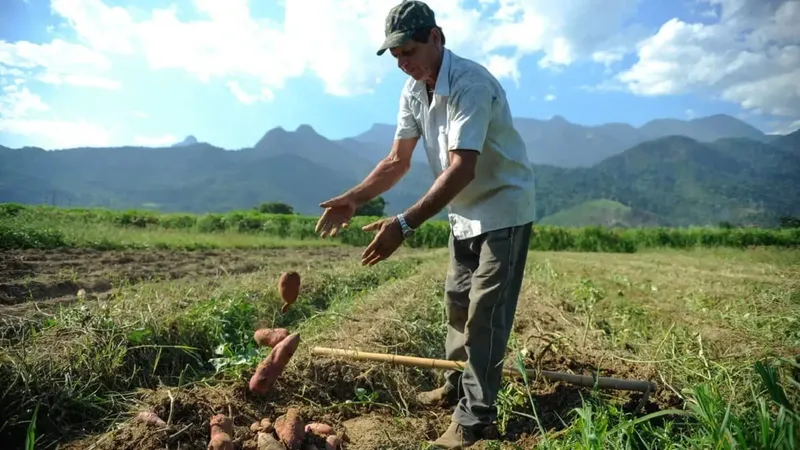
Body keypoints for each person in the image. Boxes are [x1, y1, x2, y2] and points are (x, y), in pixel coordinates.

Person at [314, 1, 536, 448]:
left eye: (409, 51)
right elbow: (397, 160)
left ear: (437, 37)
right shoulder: (415, 90)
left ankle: (475, 418)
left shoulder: (471, 83)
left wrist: (404, 223)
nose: (403, 63)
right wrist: (355, 198)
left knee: (485, 314)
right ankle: (457, 384)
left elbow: (462, 169)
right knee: (457, 303)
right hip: (463, 213)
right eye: (396, 56)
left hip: (503, 210)